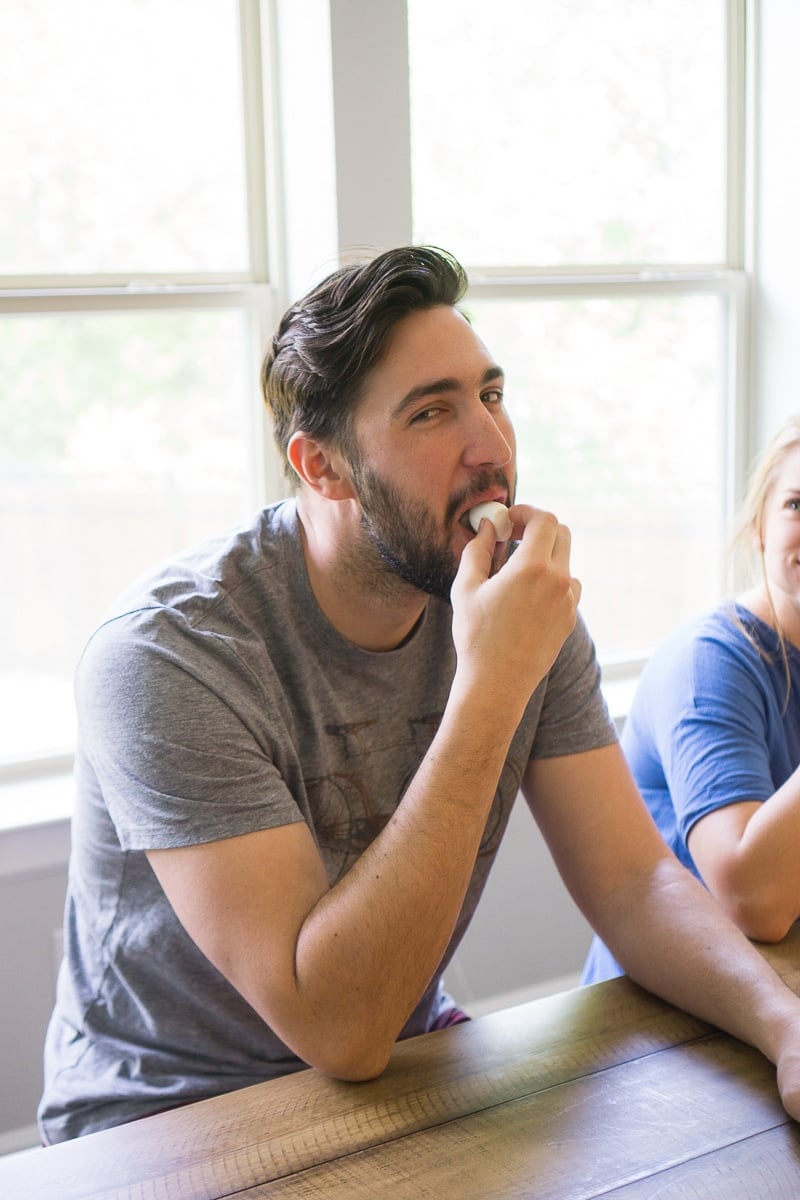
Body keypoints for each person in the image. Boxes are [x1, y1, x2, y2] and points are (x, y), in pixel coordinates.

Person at [39, 246, 800, 1144]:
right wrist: (493, 682)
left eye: (490, 394)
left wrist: (783, 1027)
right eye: (431, 412)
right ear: (321, 467)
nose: (492, 447)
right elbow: (337, 1028)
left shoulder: (514, 605)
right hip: (162, 1120)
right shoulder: (169, 657)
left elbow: (636, 883)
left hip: (404, 1059)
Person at [583, 415, 800, 983]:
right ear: (759, 525)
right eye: (797, 505)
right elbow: (753, 899)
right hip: (661, 1020)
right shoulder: (710, 664)